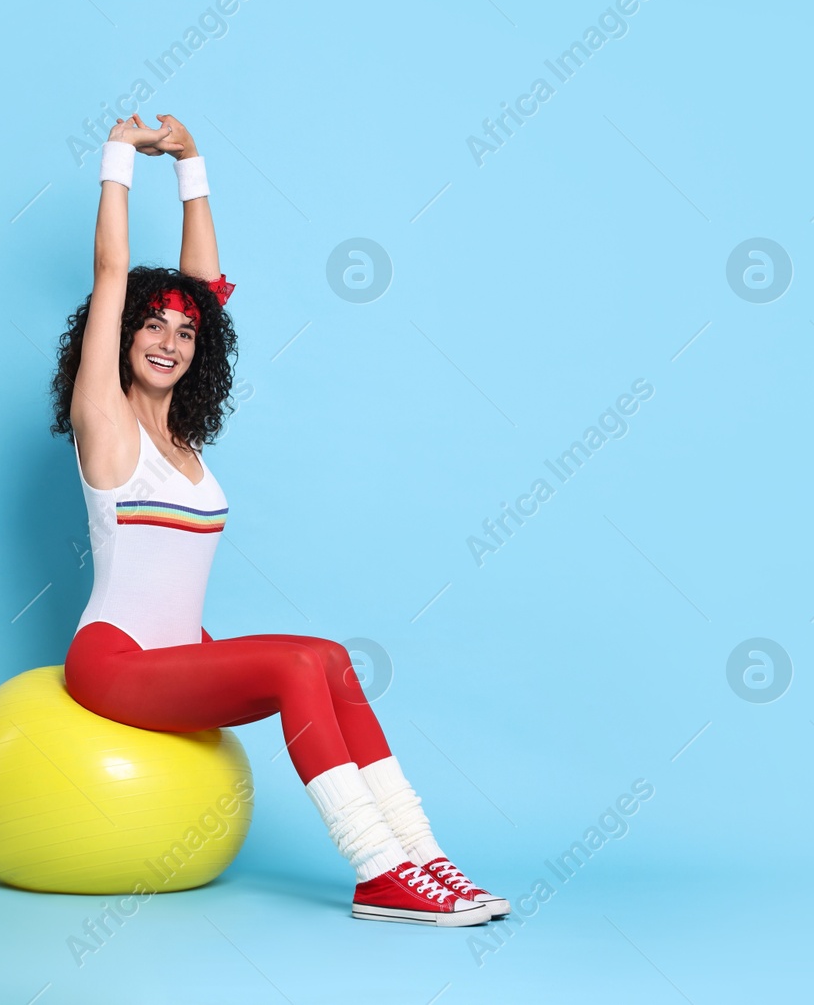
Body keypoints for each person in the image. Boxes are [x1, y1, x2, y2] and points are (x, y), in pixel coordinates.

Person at [50, 113, 505, 926]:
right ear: (120, 335)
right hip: (114, 663)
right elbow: (111, 268)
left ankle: (422, 856)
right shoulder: (106, 421)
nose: (169, 340)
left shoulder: (181, 437)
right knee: (299, 665)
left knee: (329, 658)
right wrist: (119, 155)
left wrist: (194, 166)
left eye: (185, 333)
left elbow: (207, 290)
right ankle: (376, 871)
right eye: (151, 325)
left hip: (181, 656)